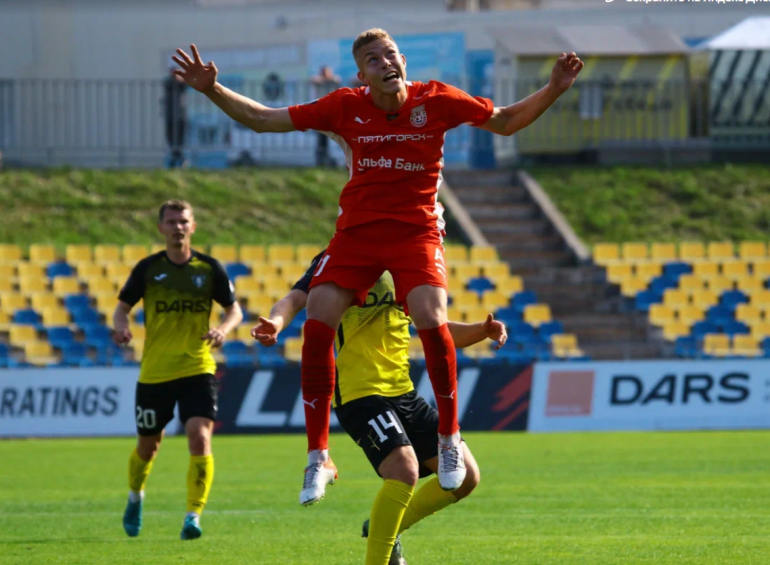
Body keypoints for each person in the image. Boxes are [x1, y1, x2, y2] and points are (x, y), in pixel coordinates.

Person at [171, 30, 582, 503]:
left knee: (430, 317)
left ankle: (449, 439)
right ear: (361, 75)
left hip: (415, 232)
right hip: (358, 234)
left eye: (389, 54)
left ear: (403, 60)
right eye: (373, 59)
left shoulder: (437, 99)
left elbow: (506, 122)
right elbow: (264, 119)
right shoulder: (344, 106)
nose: (385, 62)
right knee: (319, 316)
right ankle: (318, 456)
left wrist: (554, 88)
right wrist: (212, 89)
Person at [252, 252, 507, 564]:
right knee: (404, 469)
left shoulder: (408, 256)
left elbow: (436, 327)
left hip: (403, 392)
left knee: (466, 476)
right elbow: (294, 299)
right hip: (359, 394)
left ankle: (383, 528)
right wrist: (276, 322)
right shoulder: (342, 255)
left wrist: (481, 330)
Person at [113, 199, 243, 540]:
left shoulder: (209, 268)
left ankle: (193, 516)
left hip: (197, 366)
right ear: (161, 228)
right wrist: (121, 326)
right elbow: (121, 308)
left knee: (200, 436)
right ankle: (135, 497)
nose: (178, 227)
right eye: (171, 222)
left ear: (193, 226)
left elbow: (235, 310)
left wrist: (222, 330)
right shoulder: (148, 269)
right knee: (148, 447)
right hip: (156, 372)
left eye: (183, 221)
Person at [310, 66, 341, 167]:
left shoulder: (332, 81)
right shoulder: (318, 81)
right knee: (321, 136)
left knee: (331, 136)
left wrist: (328, 79)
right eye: (323, 72)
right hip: (320, 112)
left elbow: (337, 79)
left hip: (330, 112)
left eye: (326, 72)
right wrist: (323, 79)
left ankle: (328, 157)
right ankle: (321, 158)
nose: (324, 74)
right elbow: (313, 80)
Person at [163, 69, 188, 168]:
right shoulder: (168, 83)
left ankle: (177, 158)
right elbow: (167, 84)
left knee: (180, 137)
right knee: (171, 137)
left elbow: (185, 85)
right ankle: (177, 157)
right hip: (170, 115)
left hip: (180, 114)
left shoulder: (181, 84)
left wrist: (181, 79)